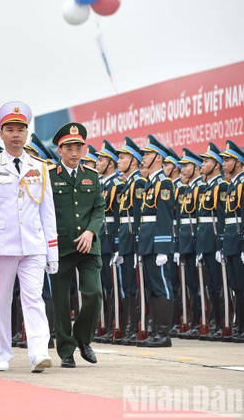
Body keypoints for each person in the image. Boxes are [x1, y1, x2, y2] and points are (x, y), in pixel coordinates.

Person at [0, 102, 57, 373]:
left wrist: (52, 250)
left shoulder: (40, 167)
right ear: (1, 134)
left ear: (27, 133)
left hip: (33, 245)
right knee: (1, 301)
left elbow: (48, 212)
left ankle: (39, 352)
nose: (16, 134)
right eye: (10, 129)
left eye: (21, 129)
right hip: (1, 246)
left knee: (34, 299)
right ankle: (2, 352)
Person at [48, 123, 104, 368]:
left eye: (78, 147)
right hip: (61, 246)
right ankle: (66, 350)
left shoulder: (91, 176)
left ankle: (83, 338)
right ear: (59, 150)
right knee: (61, 301)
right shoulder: (50, 177)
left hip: (89, 246)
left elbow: (99, 208)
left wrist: (91, 231)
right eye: (69, 148)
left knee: (94, 293)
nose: (74, 153)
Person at [136, 135, 176, 348]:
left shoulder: (164, 183)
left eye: (148, 154)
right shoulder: (152, 184)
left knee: (163, 287)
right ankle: (154, 331)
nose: (144, 158)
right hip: (148, 241)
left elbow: (164, 218)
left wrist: (162, 248)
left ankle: (163, 333)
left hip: (157, 242)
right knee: (152, 287)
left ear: (158, 158)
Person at [112, 137, 147, 346]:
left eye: (123, 157)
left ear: (133, 161)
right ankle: (130, 327)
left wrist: (137, 245)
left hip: (133, 242)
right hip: (125, 241)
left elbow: (138, 216)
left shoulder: (139, 183)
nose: (119, 161)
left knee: (135, 286)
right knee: (127, 286)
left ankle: (137, 327)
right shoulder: (127, 184)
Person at [197, 143, 228, 341]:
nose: (203, 164)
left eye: (207, 161)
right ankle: (215, 323)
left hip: (216, 242)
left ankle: (224, 323)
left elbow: (223, 216)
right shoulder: (208, 187)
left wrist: (222, 243)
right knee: (211, 285)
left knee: (220, 284)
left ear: (216, 165)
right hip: (206, 242)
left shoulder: (221, 186)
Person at [174, 149, 205, 339]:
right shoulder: (188, 189)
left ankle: (204, 321)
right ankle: (193, 321)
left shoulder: (201, 188)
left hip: (196, 242)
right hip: (186, 241)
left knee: (202, 284)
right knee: (191, 284)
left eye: (186, 165)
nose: (182, 169)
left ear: (196, 167)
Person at [94, 140, 122, 343]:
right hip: (100, 240)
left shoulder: (117, 185)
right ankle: (104, 324)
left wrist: (119, 244)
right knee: (103, 285)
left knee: (115, 286)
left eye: (101, 160)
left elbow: (120, 217)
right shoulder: (100, 184)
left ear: (110, 163)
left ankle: (116, 324)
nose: (97, 163)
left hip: (111, 240)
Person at [220, 140, 244, 342]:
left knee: (242, 285)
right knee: (236, 285)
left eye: (228, 159)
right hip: (231, 240)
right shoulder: (233, 184)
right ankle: (239, 326)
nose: (224, 163)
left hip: (239, 240)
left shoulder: (242, 183)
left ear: (238, 162)